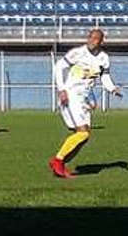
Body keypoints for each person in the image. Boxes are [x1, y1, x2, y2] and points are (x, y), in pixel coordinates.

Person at [48, 29, 121, 179]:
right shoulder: (77, 53)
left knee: (84, 136)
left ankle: (59, 162)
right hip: (71, 94)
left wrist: (112, 88)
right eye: (90, 37)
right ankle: (58, 160)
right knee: (82, 133)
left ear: (101, 41)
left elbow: (105, 77)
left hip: (84, 99)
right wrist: (61, 89)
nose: (92, 41)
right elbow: (59, 67)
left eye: (95, 39)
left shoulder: (104, 58)